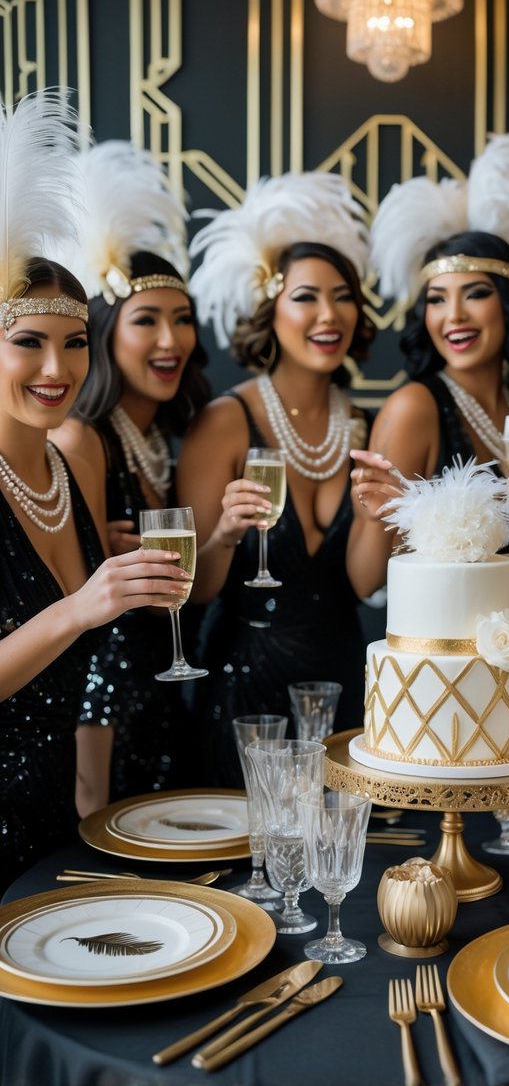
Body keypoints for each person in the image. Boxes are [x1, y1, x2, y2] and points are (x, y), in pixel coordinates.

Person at [0, 92, 191, 890]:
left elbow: (90, 651)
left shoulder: (70, 463)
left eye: (74, 342)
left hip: (56, 809)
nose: (57, 370)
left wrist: (89, 802)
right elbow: (73, 623)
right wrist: (82, 605)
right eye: (28, 344)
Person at [178, 173, 376, 787]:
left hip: (343, 678)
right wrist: (226, 535)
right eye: (307, 297)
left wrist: (378, 514)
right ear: (271, 307)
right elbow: (196, 590)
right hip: (246, 683)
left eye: (343, 297)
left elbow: (365, 584)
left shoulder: (365, 426)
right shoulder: (225, 421)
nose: (328, 315)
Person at [50, 141, 211, 809]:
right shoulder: (83, 439)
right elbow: (75, 610)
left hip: (165, 691)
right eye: (147, 320)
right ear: (108, 330)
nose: (171, 341)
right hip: (107, 708)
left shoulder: (165, 437)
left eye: (182, 320)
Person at [350, 136, 509, 623]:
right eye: (437, 299)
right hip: (444, 661)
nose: (454, 315)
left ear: (506, 305)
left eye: (475, 294)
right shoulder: (414, 408)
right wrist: (381, 516)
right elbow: (363, 579)